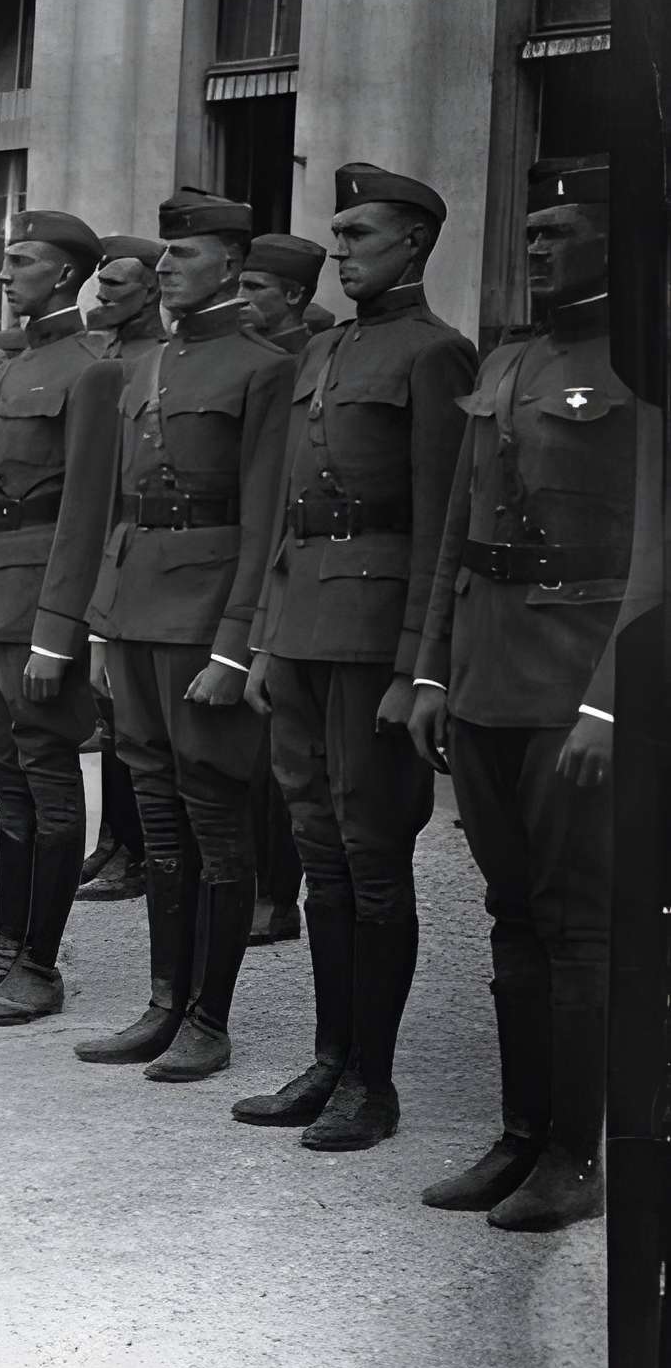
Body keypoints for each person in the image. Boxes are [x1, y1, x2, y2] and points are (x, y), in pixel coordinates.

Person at [408, 156, 628, 1231]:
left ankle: (575, 1155)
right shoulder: (505, 359)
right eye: (530, 230)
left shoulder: (641, 364)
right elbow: (457, 532)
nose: (535, 247)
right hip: (489, 678)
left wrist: (610, 702)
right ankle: (520, 1132)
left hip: (574, 684)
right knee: (508, 913)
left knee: (575, 920)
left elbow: (657, 556)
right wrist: (432, 672)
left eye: (559, 231)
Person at [234, 167, 475, 1148]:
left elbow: (440, 525)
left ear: (412, 242)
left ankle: (372, 1082)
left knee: (373, 858)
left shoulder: (436, 354)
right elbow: (286, 514)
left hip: (374, 640)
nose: (339, 249)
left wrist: (418, 668)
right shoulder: (323, 348)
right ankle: (329, 1060)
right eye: (333, 233)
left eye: (358, 233)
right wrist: (263, 638)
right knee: (319, 856)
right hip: (299, 634)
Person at [73, 190, 290, 1078]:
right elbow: (117, 508)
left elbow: (266, 518)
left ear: (232, 264)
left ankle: (210, 1017)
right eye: (163, 254)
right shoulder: (146, 365)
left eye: (185, 254)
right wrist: (100, 625)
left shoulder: (265, 369)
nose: (166, 268)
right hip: (135, 612)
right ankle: (164, 1002)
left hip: (206, 622)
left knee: (215, 819)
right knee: (158, 819)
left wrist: (236, 647)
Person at [0, 212, 122, 1020]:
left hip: (36, 607)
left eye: (21, 260)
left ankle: (40, 968)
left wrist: (57, 633)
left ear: (65, 274)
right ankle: (6, 954)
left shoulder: (91, 371)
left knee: (49, 783)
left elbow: (85, 513)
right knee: (9, 786)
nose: (4, 274)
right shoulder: (17, 365)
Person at [233, 228, 333, 943]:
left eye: (254, 288)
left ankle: (277, 891)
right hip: (239, 555)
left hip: (293, 561)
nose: (240, 299)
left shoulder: (308, 361)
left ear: (293, 296)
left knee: (278, 752)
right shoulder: (244, 360)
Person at [76, 235, 169, 901]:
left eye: (116, 285)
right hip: (94, 550)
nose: (100, 295)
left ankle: (136, 849)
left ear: (150, 291)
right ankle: (112, 838)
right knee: (109, 716)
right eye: (100, 282)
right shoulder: (101, 355)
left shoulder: (156, 361)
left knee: (134, 718)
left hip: (132, 548)